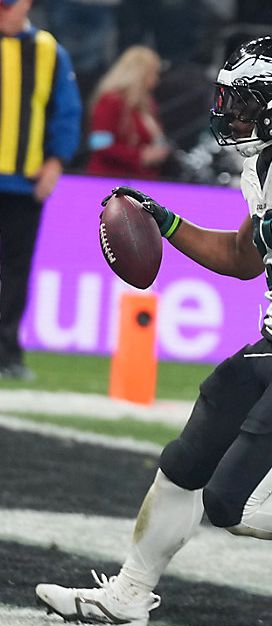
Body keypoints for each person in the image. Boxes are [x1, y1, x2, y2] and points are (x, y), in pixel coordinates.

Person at [35, 35, 272, 625]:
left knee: (235, 503)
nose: (232, 111)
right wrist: (166, 221)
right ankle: (128, 593)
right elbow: (240, 256)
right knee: (184, 464)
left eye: (247, 99)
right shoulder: (266, 159)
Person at [0, 0, 82, 380]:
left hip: (21, 185)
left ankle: (8, 353)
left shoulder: (49, 51)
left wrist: (55, 161)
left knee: (16, 272)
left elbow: (67, 111)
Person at [85, 45, 170, 179]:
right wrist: (140, 156)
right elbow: (99, 144)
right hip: (109, 180)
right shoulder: (111, 101)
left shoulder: (148, 105)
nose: (156, 80)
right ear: (140, 74)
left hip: (140, 181)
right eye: (153, 74)